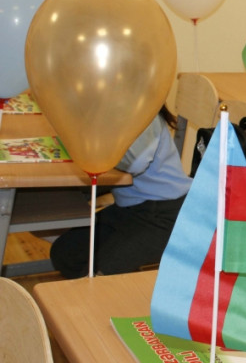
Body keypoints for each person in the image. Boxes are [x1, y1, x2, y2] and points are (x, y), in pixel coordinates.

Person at [50, 105, 191, 278]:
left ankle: (115, 283)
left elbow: (135, 164)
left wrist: (90, 151)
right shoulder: (111, 108)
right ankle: (116, 276)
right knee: (65, 254)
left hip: (163, 213)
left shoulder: (145, 113)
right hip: (129, 209)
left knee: (96, 277)